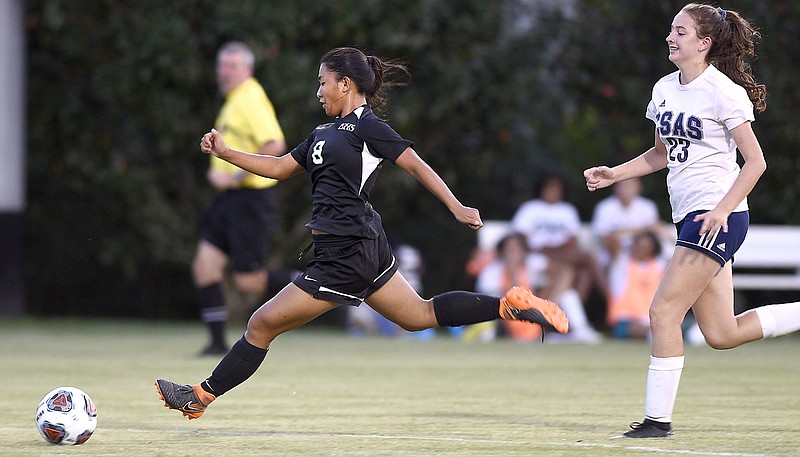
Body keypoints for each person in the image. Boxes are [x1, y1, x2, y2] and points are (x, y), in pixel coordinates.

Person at [156, 47, 569, 419]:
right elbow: (280, 168)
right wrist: (227, 153)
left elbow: (415, 165)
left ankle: (200, 396)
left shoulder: (368, 127)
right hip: (360, 246)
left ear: (345, 83)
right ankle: (509, 305)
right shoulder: (321, 134)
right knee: (418, 316)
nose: (318, 91)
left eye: (323, 82)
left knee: (261, 324)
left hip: (346, 253)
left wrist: (456, 206)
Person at [584, 4, 800, 438]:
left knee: (663, 311)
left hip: (715, 217)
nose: (671, 37)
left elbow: (756, 163)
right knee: (721, 333)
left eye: (680, 32)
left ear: (704, 43)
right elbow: (662, 154)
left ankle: (657, 422)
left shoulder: (723, 92)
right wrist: (615, 174)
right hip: (692, 219)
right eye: (671, 30)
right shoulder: (664, 87)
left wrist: (721, 208)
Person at [192, 42, 297, 356]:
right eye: (222, 65)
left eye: (233, 66)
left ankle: (319, 281)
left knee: (248, 282)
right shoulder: (232, 101)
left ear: (248, 70)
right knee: (204, 265)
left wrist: (237, 176)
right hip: (228, 201)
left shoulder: (251, 98)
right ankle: (216, 343)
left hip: (251, 199)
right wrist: (217, 175)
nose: (225, 71)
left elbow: (275, 144)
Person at [473, 232, 600, 344]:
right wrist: (512, 275)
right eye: (509, 249)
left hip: (534, 319)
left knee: (568, 295)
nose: (513, 254)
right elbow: (495, 303)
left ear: (524, 252)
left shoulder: (532, 264)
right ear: (502, 252)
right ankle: (488, 336)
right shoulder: (491, 272)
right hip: (504, 320)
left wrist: (545, 304)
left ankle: (581, 329)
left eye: (517, 249)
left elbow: (565, 273)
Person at [511, 172, 609, 306]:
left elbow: (573, 240)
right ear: (542, 189)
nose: (553, 192)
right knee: (587, 260)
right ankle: (610, 300)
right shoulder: (530, 208)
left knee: (585, 272)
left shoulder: (568, 210)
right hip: (538, 253)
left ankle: (566, 314)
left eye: (557, 188)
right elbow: (520, 236)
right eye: (550, 188)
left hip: (561, 253)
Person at [590, 177, 662, 269]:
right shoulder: (604, 207)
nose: (626, 189)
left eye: (630, 185)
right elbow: (604, 236)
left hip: (641, 249)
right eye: (623, 185)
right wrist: (642, 229)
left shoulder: (648, 207)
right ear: (615, 187)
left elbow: (654, 232)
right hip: (613, 252)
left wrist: (621, 232)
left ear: (639, 187)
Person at [606, 231, 665, 339]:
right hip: (626, 319)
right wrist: (644, 227)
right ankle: (655, 335)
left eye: (646, 246)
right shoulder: (622, 263)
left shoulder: (659, 265)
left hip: (652, 318)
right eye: (638, 245)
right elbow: (613, 239)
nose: (640, 249)